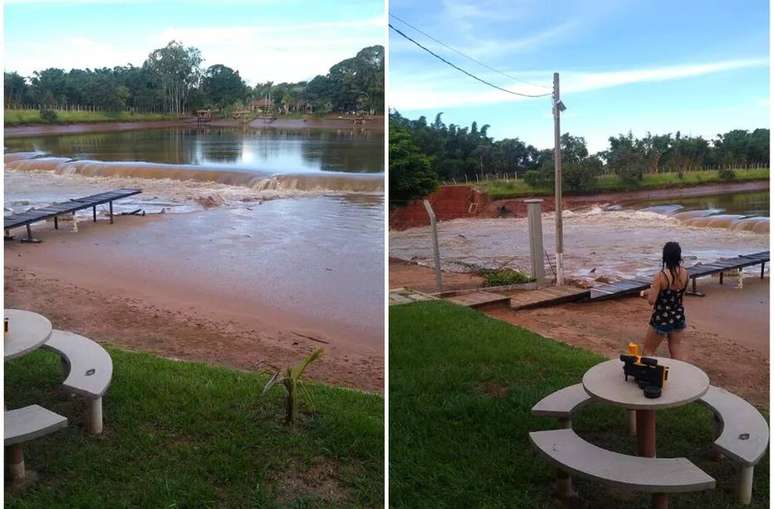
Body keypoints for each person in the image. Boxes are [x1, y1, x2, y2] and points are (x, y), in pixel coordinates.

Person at [641, 241, 688, 359]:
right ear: (679, 256)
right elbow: (681, 295)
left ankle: (649, 375)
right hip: (678, 315)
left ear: (665, 256)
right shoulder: (686, 273)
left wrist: (646, 293)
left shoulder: (661, 276)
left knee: (648, 351)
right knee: (676, 349)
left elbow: (652, 300)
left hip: (662, 317)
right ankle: (678, 373)